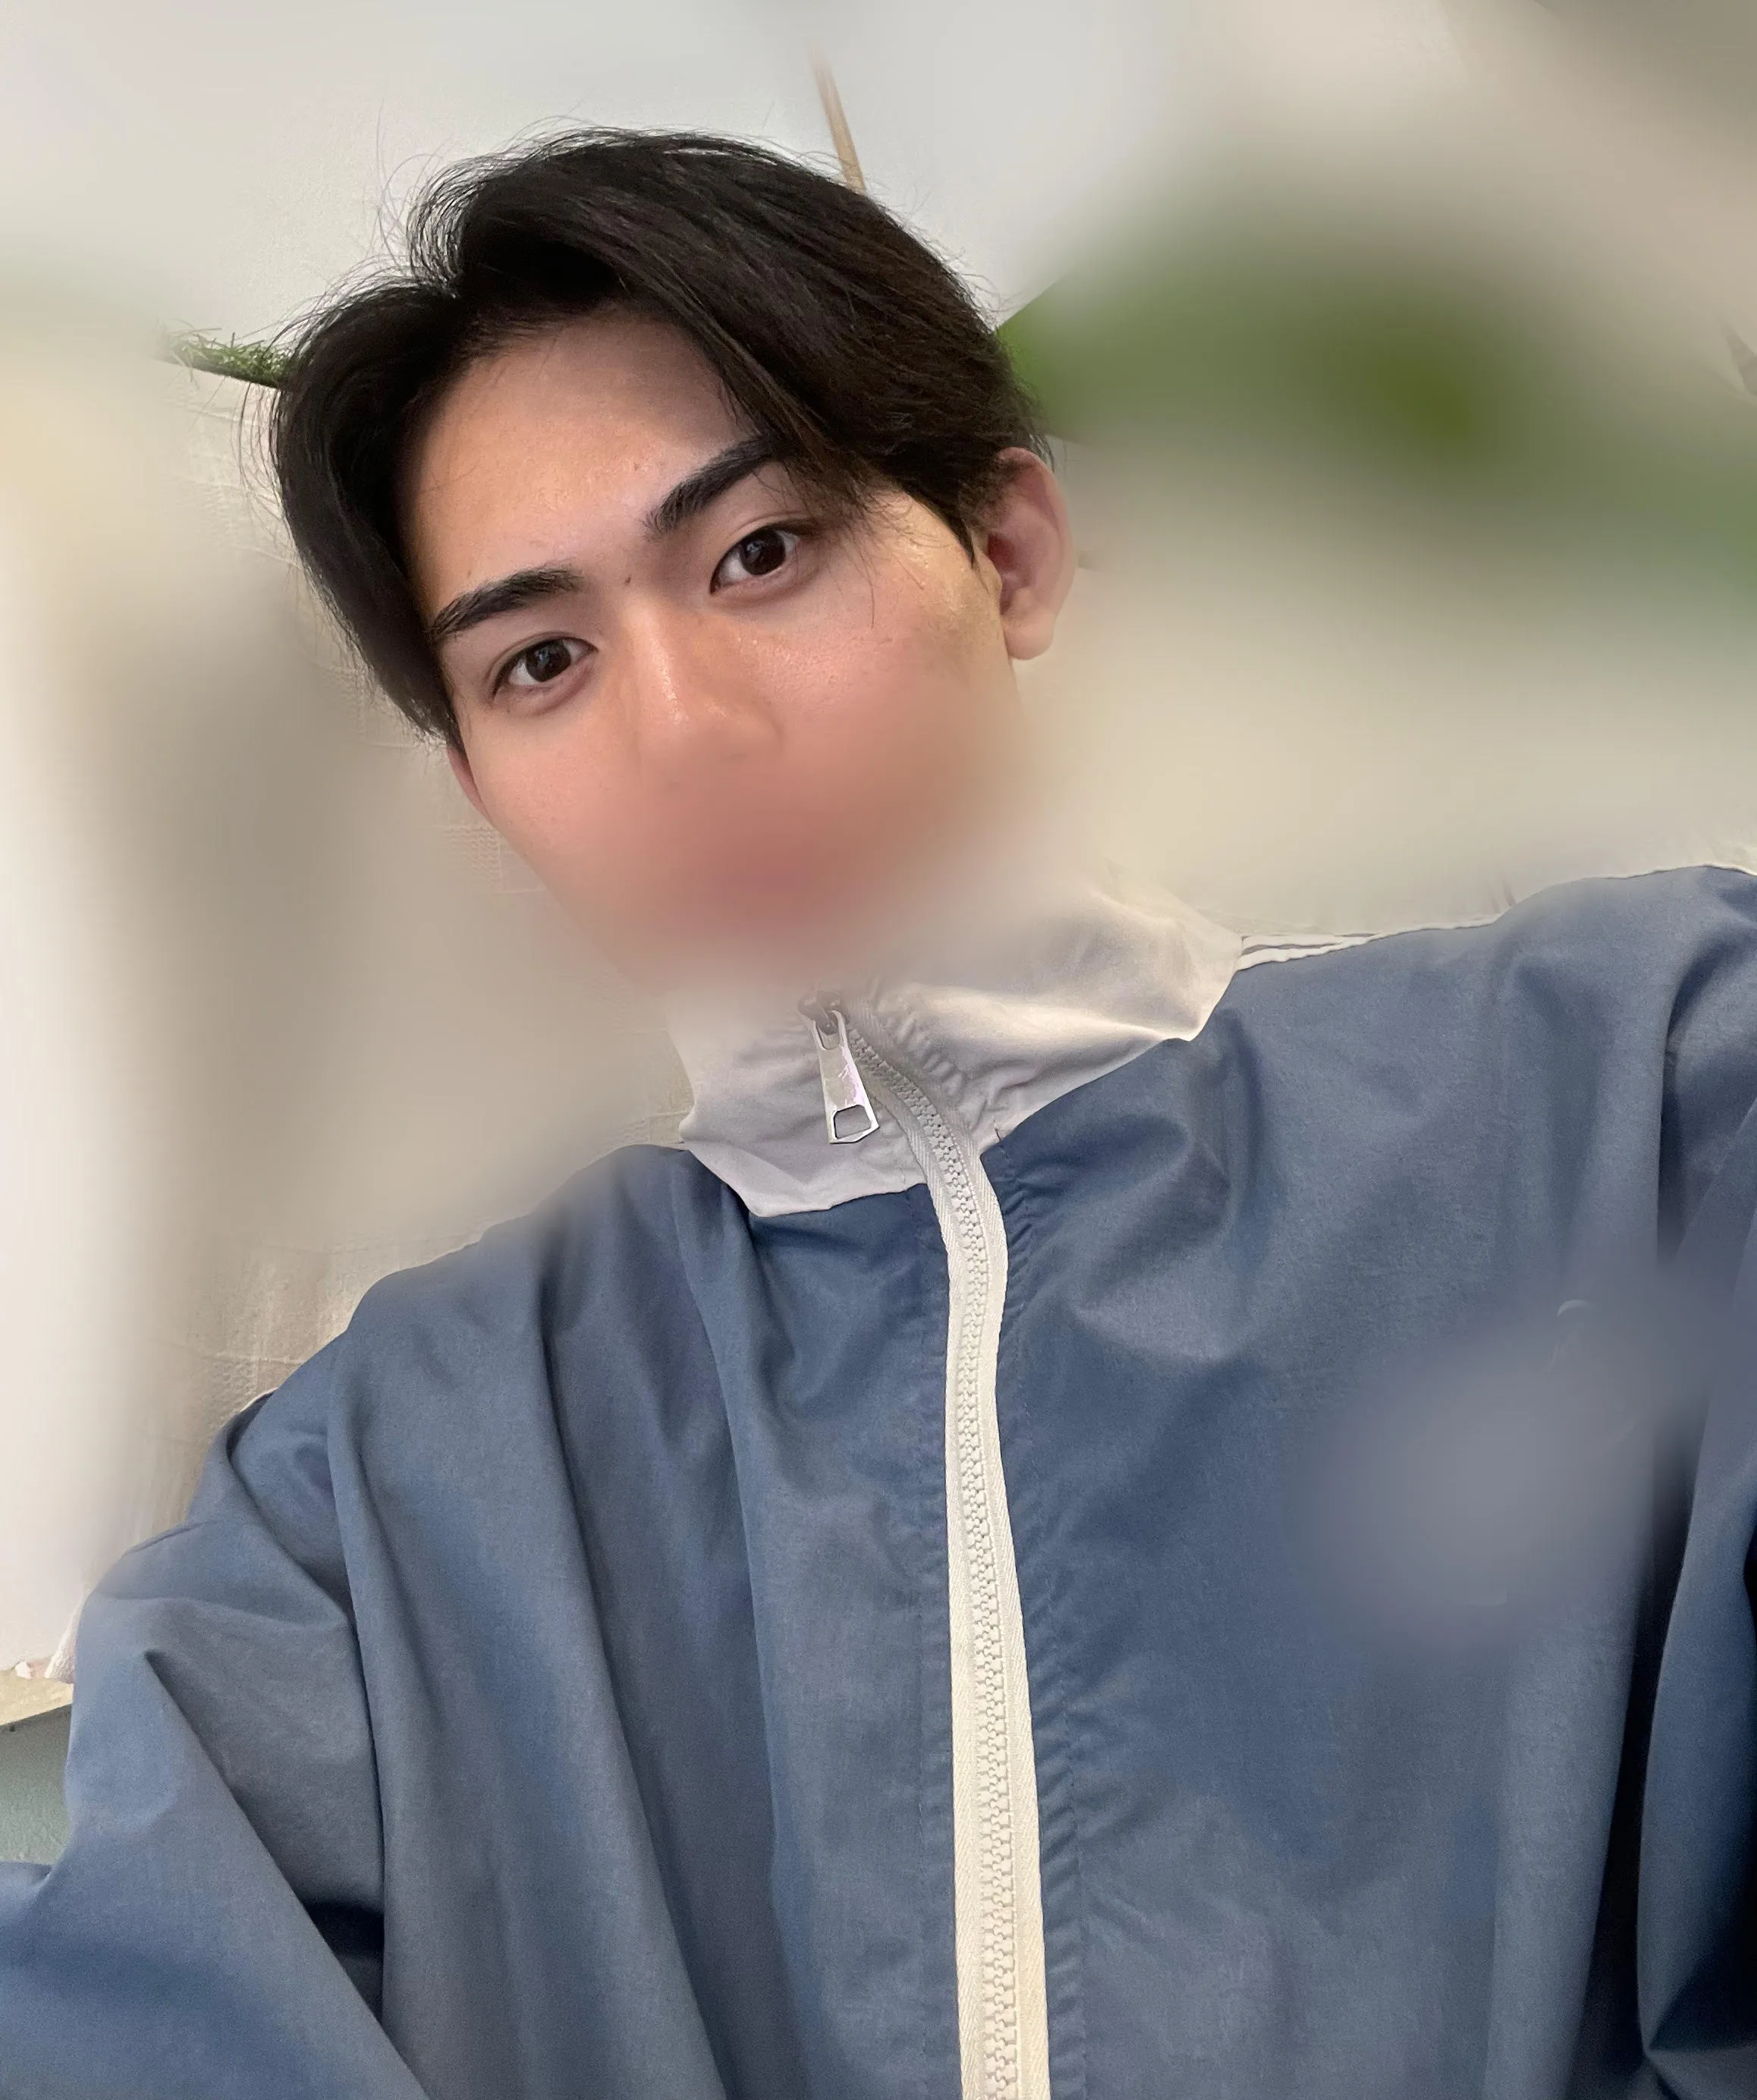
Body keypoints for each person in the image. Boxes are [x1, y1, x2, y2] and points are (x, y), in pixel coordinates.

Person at [2, 130, 1755, 2100]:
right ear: (484, 783)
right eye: (542, 659)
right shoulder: (376, 1491)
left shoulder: (1643, 1089)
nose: (686, 729)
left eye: (761, 554)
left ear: (1009, 551)